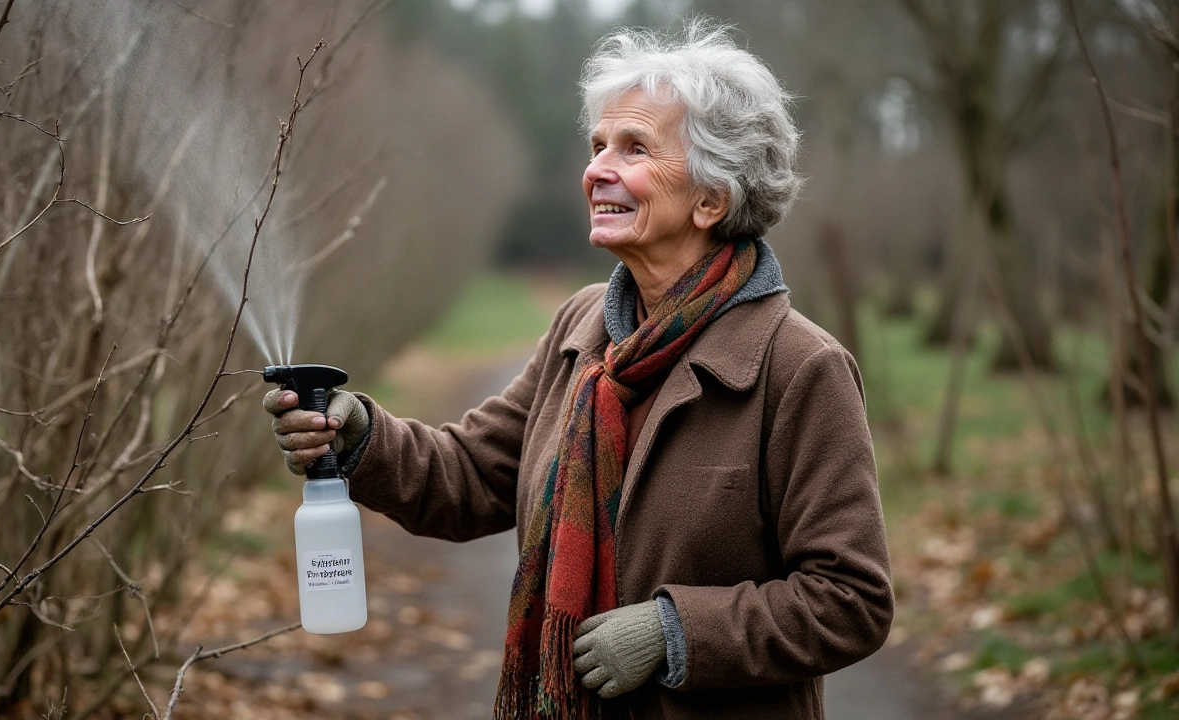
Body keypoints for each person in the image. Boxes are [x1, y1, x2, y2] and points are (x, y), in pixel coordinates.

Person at [265, 19, 892, 720]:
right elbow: (473, 477)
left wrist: (675, 632)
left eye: (635, 148)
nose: (597, 169)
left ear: (713, 197)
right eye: (597, 146)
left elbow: (851, 600)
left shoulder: (799, 367)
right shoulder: (582, 328)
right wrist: (362, 441)